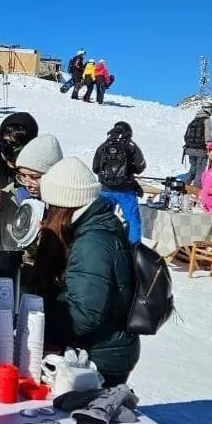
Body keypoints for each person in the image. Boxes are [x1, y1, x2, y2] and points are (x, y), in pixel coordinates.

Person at [38, 156, 140, 385]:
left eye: (50, 206)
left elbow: (84, 315)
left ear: (63, 205)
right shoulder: (86, 229)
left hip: (101, 356)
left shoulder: (93, 242)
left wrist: (33, 313)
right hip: (95, 348)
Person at [93, 120, 147, 244]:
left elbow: (95, 168)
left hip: (105, 190)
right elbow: (141, 167)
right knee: (132, 219)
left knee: (102, 217)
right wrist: (128, 170)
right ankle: (134, 248)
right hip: (126, 190)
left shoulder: (104, 146)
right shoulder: (131, 145)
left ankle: (100, 243)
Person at [182, 108, 212, 185]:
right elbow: (207, 134)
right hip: (201, 150)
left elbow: (187, 134)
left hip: (190, 149)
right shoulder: (206, 120)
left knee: (193, 167)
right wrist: (209, 146)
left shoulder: (194, 120)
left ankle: (185, 184)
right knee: (200, 169)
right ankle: (197, 187)